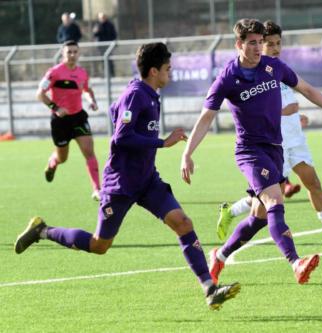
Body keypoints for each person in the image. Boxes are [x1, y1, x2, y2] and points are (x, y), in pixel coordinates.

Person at [15, 42, 240, 310]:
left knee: (183, 222)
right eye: (168, 68)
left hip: (147, 180)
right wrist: (162, 143)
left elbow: (114, 111)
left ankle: (209, 289)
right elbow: (121, 137)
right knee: (100, 245)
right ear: (154, 71)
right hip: (121, 184)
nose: (170, 73)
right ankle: (42, 230)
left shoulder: (149, 93)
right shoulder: (137, 94)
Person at [181, 18, 322, 286]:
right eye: (252, 43)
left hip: (276, 149)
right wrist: (187, 153)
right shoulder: (228, 78)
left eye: (260, 42)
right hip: (250, 151)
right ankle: (296, 263)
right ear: (239, 44)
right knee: (276, 201)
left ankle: (220, 255)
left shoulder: (273, 67)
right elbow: (207, 117)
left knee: (259, 218)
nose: (258, 47)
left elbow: (307, 90)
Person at [215, 20, 322, 251]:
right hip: (272, 144)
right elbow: (262, 108)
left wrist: (299, 117)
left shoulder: (278, 69)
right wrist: (286, 113)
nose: (274, 48)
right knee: (267, 199)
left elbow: (303, 93)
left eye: (278, 43)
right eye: (268, 43)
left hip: (294, 139)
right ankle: (231, 217)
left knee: (312, 183)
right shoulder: (254, 72)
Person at [37, 40, 101, 200]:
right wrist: (56, 107)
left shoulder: (82, 73)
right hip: (60, 121)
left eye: (75, 52)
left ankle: (97, 189)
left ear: (79, 53)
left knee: (89, 152)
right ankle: (53, 163)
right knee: (62, 158)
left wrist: (91, 101)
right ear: (63, 54)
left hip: (78, 117)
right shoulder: (54, 72)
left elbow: (86, 90)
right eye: (69, 52)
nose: (72, 55)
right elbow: (40, 94)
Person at [93, 12, 118, 77]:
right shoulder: (97, 25)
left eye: (103, 17)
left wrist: (113, 42)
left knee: (110, 60)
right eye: (101, 17)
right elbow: (95, 35)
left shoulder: (110, 25)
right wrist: (96, 31)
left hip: (109, 45)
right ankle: (104, 75)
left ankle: (112, 74)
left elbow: (114, 34)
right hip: (101, 45)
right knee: (102, 60)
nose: (102, 19)